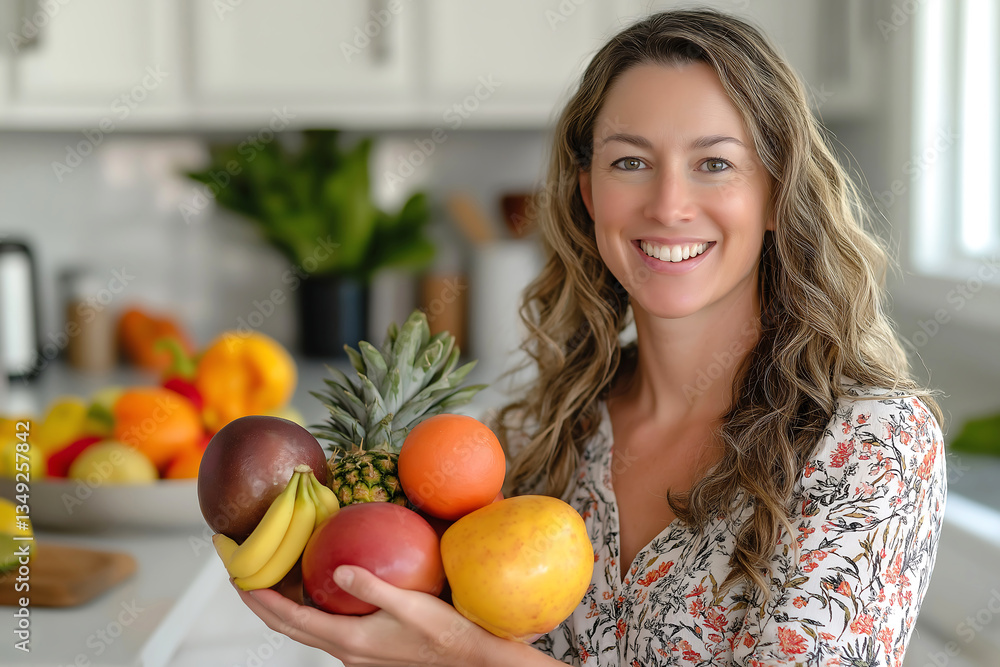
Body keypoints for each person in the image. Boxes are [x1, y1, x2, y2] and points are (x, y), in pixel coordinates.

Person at [234, 9, 946, 666]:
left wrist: (464, 653)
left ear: (775, 193)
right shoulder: (542, 436)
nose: (668, 205)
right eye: (630, 162)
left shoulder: (871, 444)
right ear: (589, 193)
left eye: (715, 163)